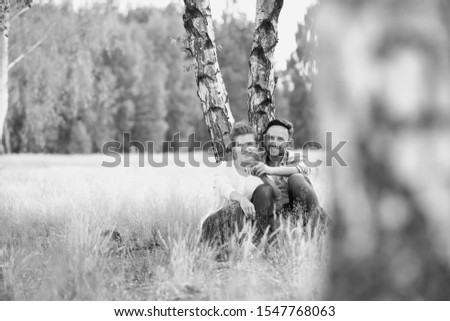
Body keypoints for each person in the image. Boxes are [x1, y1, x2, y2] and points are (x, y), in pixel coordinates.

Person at [199, 121, 281, 247]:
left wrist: (264, 177)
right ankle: (236, 248)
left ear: (256, 146)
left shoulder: (260, 171)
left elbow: (276, 196)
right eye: (239, 145)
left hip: (244, 229)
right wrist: (242, 199)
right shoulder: (223, 167)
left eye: (249, 144)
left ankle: (257, 243)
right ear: (233, 148)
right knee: (237, 206)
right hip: (216, 225)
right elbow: (225, 188)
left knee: (265, 189)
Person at [250, 118, 330, 230]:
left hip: (297, 210)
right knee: (264, 190)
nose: (274, 142)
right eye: (270, 137)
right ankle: (261, 237)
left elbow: (302, 168)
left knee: (297, 178)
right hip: (269, 213)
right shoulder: (255, 159)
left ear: (289, 143)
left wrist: (269, 170)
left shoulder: (297, 157)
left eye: (280, 139)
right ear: (264, 139)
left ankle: (316, 230)